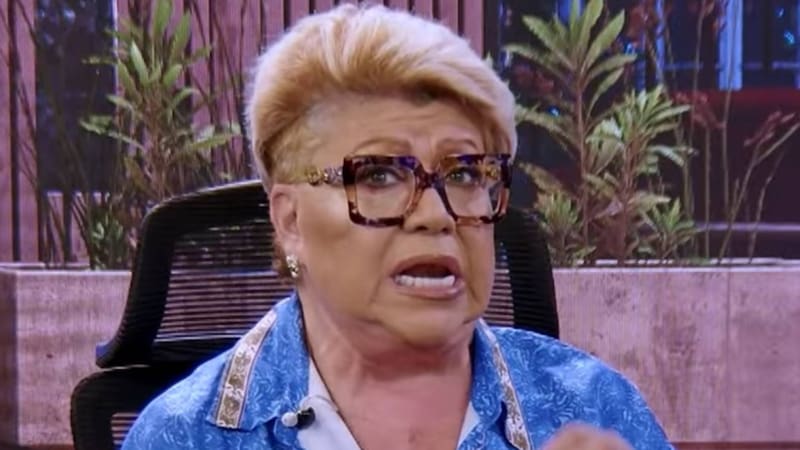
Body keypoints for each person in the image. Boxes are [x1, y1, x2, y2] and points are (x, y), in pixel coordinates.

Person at [121, 4, 674, 449]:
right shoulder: (184, 437)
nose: (436, 215)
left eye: (465, 173)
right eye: (379, 175)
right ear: (291, 222)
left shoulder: (596, 409)